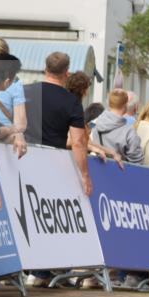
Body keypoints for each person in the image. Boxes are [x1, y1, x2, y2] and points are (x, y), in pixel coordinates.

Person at [24, 52, 91, 196]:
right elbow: (78, 142)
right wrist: (85, 175)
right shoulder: (72, 102)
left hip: (24, 156)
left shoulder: (25, 91)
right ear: (66, 72)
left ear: (46, 69)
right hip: (52, 162)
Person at [90, 88, 144, 164]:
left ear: (109, 104)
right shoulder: (129, 131)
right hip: (122, 170)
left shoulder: (96, 125)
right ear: (126, 105)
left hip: (98, 168)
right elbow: (137, 162)